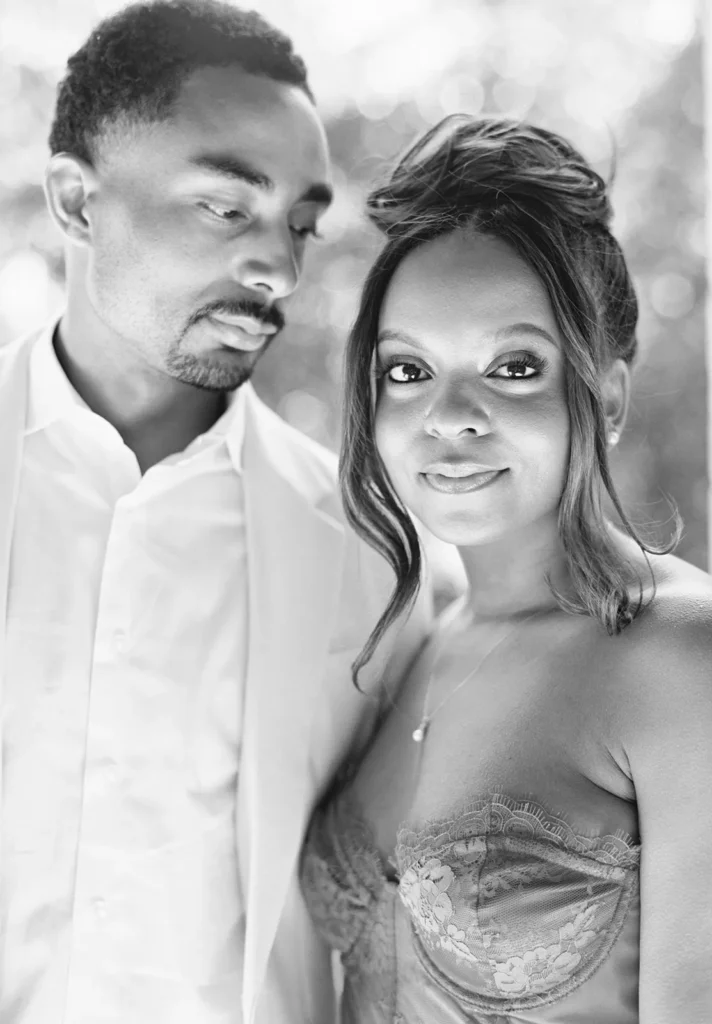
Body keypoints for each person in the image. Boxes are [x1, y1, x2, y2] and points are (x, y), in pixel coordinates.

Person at [0, 3, 453, 1022]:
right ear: (76, 201)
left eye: (301, 223)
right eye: (225, 208)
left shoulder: (381, 561)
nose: (279, 269)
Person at [300, 114, 712, 1023]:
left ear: (607, 395)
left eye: (513, 366)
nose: (450, 415)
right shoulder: (418, 647)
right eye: (408, 371)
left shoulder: (693, 660)